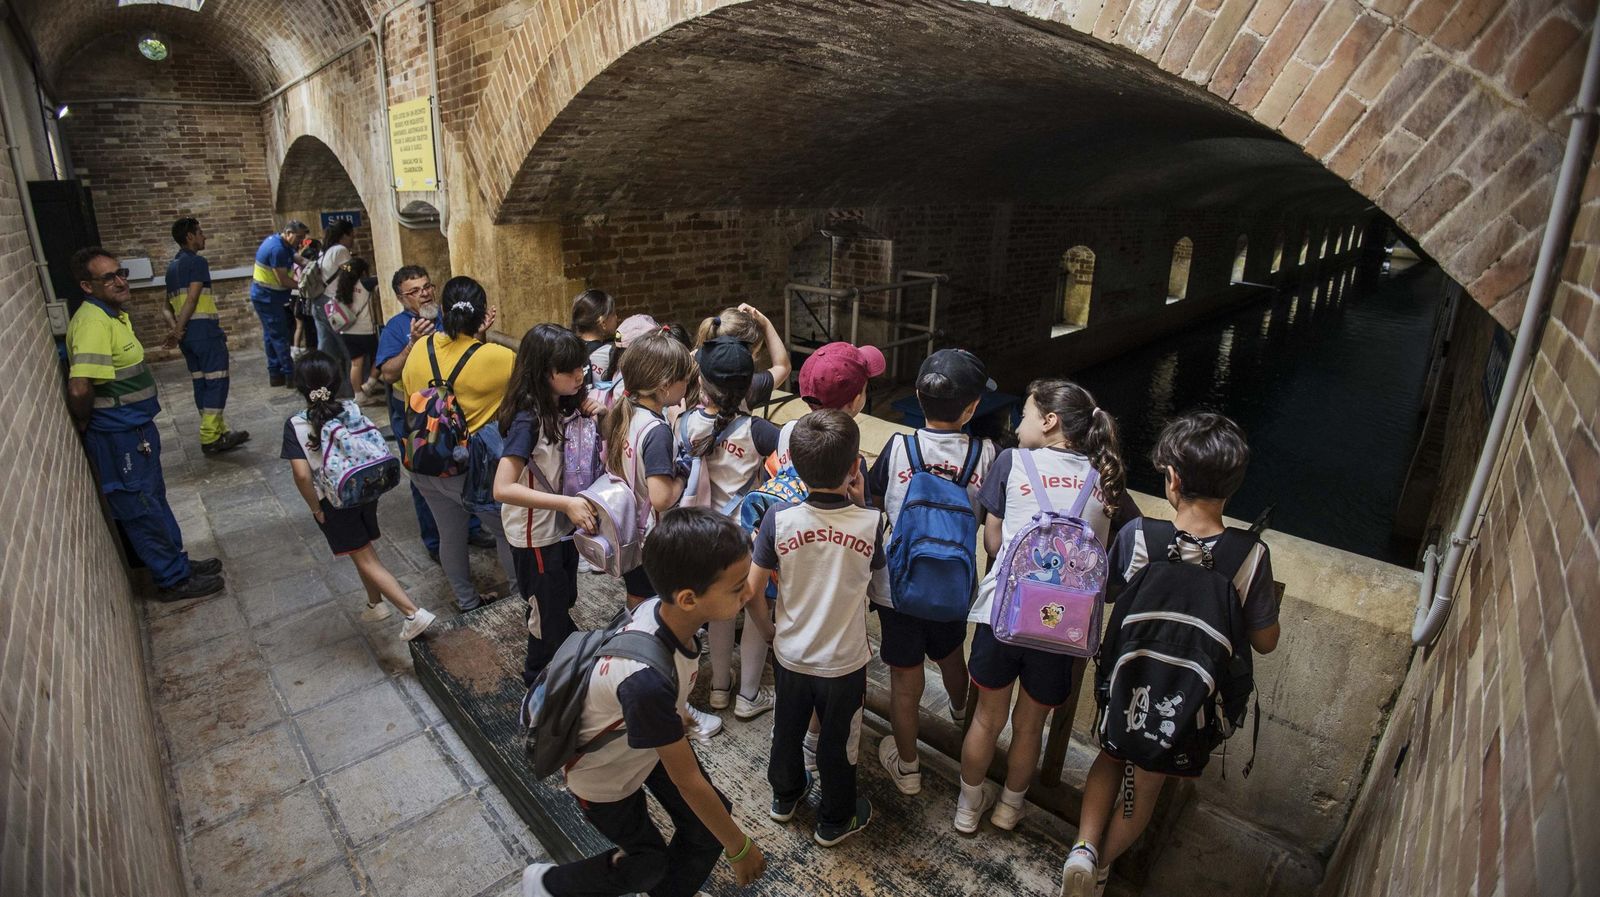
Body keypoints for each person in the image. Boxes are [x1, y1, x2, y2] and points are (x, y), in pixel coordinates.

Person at [1062, 412, 1279, 897]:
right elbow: (1265, 640)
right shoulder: (1249, 556)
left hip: (1127, 684)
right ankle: (1102, 869)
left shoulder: (1139, 536)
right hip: (1187, 704)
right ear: (1233, 485)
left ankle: (1083, 849)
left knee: (1111, 756)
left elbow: (1110, 594)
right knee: (1147, 785)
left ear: (1173, 479)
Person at [520, 508, 768, 897]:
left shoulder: (659, 610)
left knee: (706, 827)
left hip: (644, 745)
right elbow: (687, 780)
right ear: (688, 599)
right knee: (646, 863)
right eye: (738, 588)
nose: (749, 592)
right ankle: (548, 885)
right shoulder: (646, 682)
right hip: (604, 778)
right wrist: (740, 848)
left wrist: (676, 714)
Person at [957, 379, 1132, 835]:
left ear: (1050, 421)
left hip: (1004, 615)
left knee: (987, 718)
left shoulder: (1013, 462)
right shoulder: (1106, 477)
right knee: (1030, 726)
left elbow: (992, 542)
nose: (1019, 426)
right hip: (1064, 629)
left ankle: (967, 808)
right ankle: (1009, 808)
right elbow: (1126, 542)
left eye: (1027, 415)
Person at [866, 348, 999, 804]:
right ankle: (962, 716)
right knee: (950, 654)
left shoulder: (898, 447)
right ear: (972, 408)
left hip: (897, 589)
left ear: (919, 398)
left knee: (905, 683)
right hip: (953, 587)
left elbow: (874, 500)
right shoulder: (987, 454)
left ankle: (908, 768)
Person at [747, 409, 886, 847]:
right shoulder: (871, 523)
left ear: (793, 465)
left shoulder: (778, 519)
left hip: (790, 653)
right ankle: (835, 818)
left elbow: (751, 591)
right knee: (839, 741)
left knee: (787, 729)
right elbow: (878, 580)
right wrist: (860, 504)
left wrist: (768, 631)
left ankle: (785, 796)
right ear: (854, 467)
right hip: (844, 662)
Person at [65, 247, 225, 601]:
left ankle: (178, 563)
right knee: (140, 507)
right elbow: (79, 387)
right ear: (87, 286)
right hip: (117, 435)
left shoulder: (113, 316)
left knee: (153, 498)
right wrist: (87, 422)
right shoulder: (92, 322)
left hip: (135, 428)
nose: (120, 281)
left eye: (120, 273)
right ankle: (172, 580)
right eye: (109, 277)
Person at [599, 329, 721, 743]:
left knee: (640, 614)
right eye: (686, 380)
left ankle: (635, 679)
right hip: (651, 540)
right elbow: (661, 496)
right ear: (665, 385)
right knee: (665, 629)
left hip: (628, 536)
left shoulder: (623, 410)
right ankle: (677, 708)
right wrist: (684, 470)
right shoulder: (656, 430)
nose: (690, 387)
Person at [282, 351, 435, 641]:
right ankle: (375, 603)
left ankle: (413, 613)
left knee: (365, 558)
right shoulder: (350, 408)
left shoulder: (297, 425)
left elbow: (301, 475)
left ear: (300, 387)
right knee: (361, 547)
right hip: (363, 489)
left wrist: (315, 508)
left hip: (333, 501)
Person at [398, 276, 520, 612]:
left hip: (424, 461)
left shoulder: (419, 348)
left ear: (442, 309)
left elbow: (412, 393)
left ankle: (467, 601)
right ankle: (520, 598)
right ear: (481, 314)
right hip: (469, 468)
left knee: (450, 535)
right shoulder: (500, 357)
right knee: (506, 533)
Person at [680, 336, 781, 719]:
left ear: (701, 382)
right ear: (748, 386)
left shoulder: (684, 423)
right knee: (755, 606)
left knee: (720, 609)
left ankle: (720, 688)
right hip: (747, 540)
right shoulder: (758, 430)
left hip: (704, 536)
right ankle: (749, 695)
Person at [492, 323, 598, 683]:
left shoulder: (562, 404)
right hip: (535, 534)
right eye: (569, 369)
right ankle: (540, 678)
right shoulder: (528, 418)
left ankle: (556, 666)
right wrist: (565, 504)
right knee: (547, 610)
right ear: (544, 372)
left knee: (559, 600)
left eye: (581, 366)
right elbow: (502, 487)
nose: (579, 375)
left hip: (559, 527)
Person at [375, 265, 493, 562]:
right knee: (426, 472)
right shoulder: (396, 328)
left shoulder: (448, 317)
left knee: (464, 469)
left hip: (455, 414)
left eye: (427, 286)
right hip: (416, 416)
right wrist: (411, 345)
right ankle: (435, 539)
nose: (424, 294)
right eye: (414, 291)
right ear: (401, 299)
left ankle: (472, 528)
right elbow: (387, 374)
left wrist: (479, 335)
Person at [162, 217, 248, 455]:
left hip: (187, 339)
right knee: (217, 381)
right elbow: (192, 298)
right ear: (189, 236)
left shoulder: (171, 268)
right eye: (200, 233)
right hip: (205, 334)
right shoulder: (197, 262)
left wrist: (176, 331)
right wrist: (178, 330)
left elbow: (165, 308)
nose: (204, 237)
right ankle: (210, 437)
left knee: (201, 383)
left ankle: (218, 431)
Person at [695, 304, 790, 409]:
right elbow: (783, 367)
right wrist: (765, 324)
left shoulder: (689, 368)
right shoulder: (749, 387)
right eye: (756, 353)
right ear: (746, 354)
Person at [249, 220, 308, 386]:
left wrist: (311, 264)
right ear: (288, 233)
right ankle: (290, 375)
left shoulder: (280, 242)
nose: (301, 241)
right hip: (268, 298)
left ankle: (275, 374)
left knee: (271, 335)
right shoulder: (277, 249)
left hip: (265, 296)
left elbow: (297, 257)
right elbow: (283, 280)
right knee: (280, 335)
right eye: (299, 237)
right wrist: (304, 286)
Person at [327, 256, 383, 404]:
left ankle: (359, 395)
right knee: (382, 356)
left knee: (356, 364)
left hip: (347, 330)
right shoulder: (365, 283)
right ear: (363, 271)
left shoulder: (342, 285)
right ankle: (369, 384)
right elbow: (383, 277)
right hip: (365, 330)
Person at [311, 220, 356, 399]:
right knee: (348, 349)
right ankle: (352, 389)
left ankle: (327, 388)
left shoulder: (324, 252)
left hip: (319, 303)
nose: (353, 239)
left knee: (327, 350)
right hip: (334, 307)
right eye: (352, 235)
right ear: (344, 235)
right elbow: (350, 274)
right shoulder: (340, 250)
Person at [571, 288, 619, 387]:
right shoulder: (610, 353)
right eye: (613, 314)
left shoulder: (569, 348)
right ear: (603, 322)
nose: (616, 317)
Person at [290, 237, 321, 356]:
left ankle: (297, 348)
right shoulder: (306, 268)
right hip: (302, 298)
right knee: (306, 325)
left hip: (297, 297)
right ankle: (305, 349)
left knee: (301, 325)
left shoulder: (295, 263)